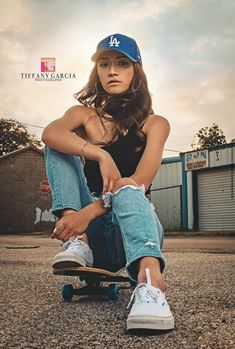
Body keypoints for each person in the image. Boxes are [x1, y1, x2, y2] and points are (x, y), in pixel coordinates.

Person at [42, 33, 174, 331]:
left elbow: (140, 182)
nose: (111, 71)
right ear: (97, 71)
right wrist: (99, 155)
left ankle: (151, 285)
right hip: (90, 235)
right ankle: (80, 244)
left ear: (135, 71)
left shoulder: (155, 124)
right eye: (104, 64)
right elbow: (50, 133)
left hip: (135, 234)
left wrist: (85, 214)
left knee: (128, 185)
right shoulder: (82, 115)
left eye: (121, 63)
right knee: (58, 145)